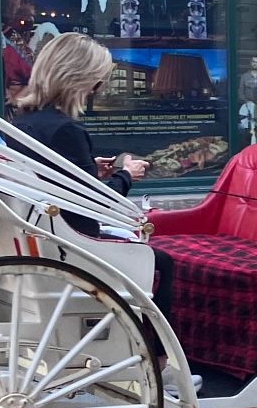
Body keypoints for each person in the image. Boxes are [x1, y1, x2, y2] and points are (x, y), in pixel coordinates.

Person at [12, 34, 175, 322]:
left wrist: (90, 169)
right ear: (80, 80)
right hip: (74, 242)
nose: (98, 89)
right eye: (98, 82)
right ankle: (159, 345)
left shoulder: (23, 122)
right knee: (162, 261)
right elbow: (98, 206)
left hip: (42, 231)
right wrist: (127, 175)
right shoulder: (67, 130)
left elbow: (60, 179)